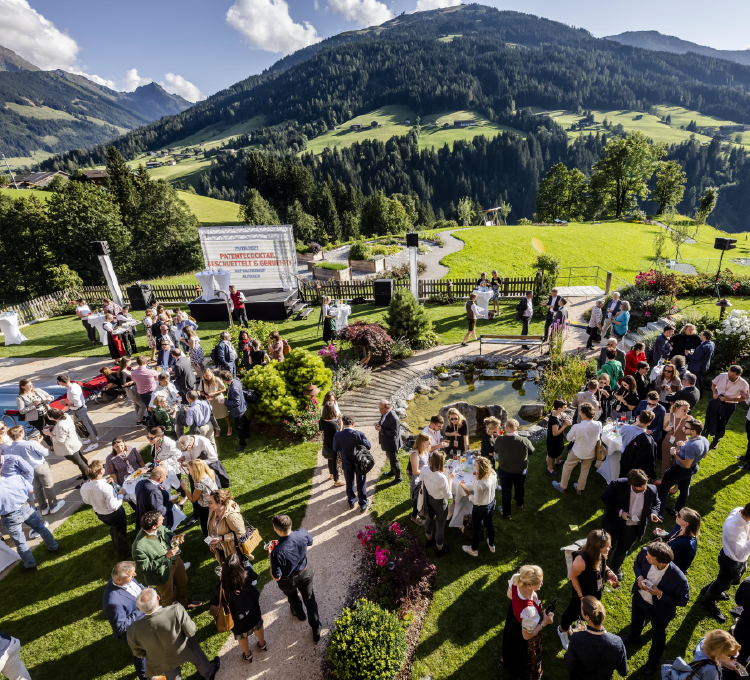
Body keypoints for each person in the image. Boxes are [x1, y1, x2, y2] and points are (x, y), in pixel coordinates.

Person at [620, 541, 689, 676]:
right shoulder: (646, 553)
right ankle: (633, 637)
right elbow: (637, 564)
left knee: (658, 637)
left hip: (659, 609)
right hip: (640, 597)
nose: (646, 556)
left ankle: (653, 662)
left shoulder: (679, 579)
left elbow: (682, 600)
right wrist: (639, 577)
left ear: (662, 563)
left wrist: (659, 594)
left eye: (650, 558)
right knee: (636, 619)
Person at [127, 587, 219, 680]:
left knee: (172, 675)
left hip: (162, 659)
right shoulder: (176, 609)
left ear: (138, 608)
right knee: (196, 653)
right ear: (158, 598)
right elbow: (191, 631)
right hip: (185, 648)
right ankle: (209, 673)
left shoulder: (132, 630)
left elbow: (138, 653)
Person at [557, 530, 619, 650]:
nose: (611, 547)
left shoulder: (600, 554)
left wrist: (609, 572)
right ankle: (562, 630)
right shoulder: (581, 561)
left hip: (595, 591)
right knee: (572, 612)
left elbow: (603, 564)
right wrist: (581, 597)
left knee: (585, 613)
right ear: (598, 547)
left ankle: (579, 622)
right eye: (608, 545)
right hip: (582, 593)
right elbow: (573, 577)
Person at [0, 455, 59, 572]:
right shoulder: (16, 478)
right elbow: (30, 490)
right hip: (26, 508)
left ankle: (30, 565)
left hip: (9, 517)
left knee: (20, 542)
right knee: (41, 528)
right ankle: (54, 547)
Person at [268, 514, 321, 641]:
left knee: (292, 596)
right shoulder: (302, 533)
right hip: (305, 573)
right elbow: (310, 541)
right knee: (309, 599)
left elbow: (276, 576)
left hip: (288, 581)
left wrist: (270, 555)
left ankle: (300, 614)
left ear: (278, 530)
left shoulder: (275, 552)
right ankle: (315, 628)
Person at [601, 469, 661, 580]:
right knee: (606, 546)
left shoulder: (651, 489)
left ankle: (616, 565)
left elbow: (656, 503)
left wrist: (653, 513)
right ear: (632, 484)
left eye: (645, 484)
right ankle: (602, 566)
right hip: (613, 524)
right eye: (641, 486)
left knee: (624, 548)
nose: (645, 488)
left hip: (634, 527)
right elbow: (605, 498)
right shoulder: (617, 485)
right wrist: (620, 512)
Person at [131, 511, 200, 609]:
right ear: (154, 527)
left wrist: (174, 537)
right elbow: (143, 568)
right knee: (168, 597)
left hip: (176, 560)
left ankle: (183, 605)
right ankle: (172, 616)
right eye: (161, 519)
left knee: (182, 583)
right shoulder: (139, 546)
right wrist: (166, 557)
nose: (163, 518)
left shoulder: (159, 527)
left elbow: (167, 531)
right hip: (161, 573)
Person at [210, 554, 265, 663]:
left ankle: (247, 655)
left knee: (241, 636)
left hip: (236, 616)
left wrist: (221, 579)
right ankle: (262, 644)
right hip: (252, 609)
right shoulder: (247, 572)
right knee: (258, 627)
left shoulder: (220, 585)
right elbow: (255, 576)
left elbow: (214, 600)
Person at [502, 565, 554, 680]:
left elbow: (510, 595)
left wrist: (517, 609)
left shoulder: (517, 578)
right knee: (521, 654)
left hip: (513, 619)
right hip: (523, 630)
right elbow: (526, 636)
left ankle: (506, 660)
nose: (541, 585)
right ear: (529, 585)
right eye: (539, 583)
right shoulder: (529, 611)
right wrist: (544, 622)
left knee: (510, 642)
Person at [3, 425, 64, 517]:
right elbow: (45, 453)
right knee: (48, 486)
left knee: (36, 489)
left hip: (25, 471)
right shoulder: (31, 443)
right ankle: (53, 506)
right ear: (20, 434)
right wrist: (39, 443)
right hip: (40, 467)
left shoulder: (8, 449)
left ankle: (43, 508)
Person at [704, 503, 750, 622]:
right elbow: (738, 554)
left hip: (736, 558)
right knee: (723, 582)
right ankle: (709, 601)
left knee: (725, 581)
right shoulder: (733, 528)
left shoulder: (740, 511)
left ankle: (710, 589)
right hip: (732, 561)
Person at [102, 561, 147, 680]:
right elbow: (120, 627)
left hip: (144, 622)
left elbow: (136, 587)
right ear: (118, 581)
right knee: (142, 654)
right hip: (135, 633)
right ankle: (146, 677)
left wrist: (145, 591)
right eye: (131, 575)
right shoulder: (113, 602)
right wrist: (142, 608)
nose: (135, 575)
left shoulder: (125, 579)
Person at [564, 596, 627, 680]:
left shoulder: (576, 639)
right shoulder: (617, 642)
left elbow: (569, 665)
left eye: (581, 609)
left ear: (587, 617)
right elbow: (623, 671)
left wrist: (575, 640)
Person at [658, 418, 709, 515]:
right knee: (685, 489)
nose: (683, 428)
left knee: (663, 488)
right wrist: (683, 445)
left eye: (686, 427)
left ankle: (659, 513)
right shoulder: (704, 439)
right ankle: (678, 510)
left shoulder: (692, 445)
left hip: (681, 470)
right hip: (692, 468)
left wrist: (674, 454)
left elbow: (687, 464)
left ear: (693, 431)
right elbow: (704, 454)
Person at [81, 461, 130, 559]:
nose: (104, 467)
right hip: (114, 514)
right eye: (103, 466)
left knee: (114, 530)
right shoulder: (105, 488)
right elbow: (113, 506)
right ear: (100, 472)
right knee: (120, 534)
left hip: (100, 514)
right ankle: (124, 554)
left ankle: (115, 541)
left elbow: (86, 501)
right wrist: (120, 494)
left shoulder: (84, 486)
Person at [554, 403, 601, 496]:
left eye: (580, 411)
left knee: (567, 467)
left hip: (577, 452)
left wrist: (576, 437)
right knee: (585, 471)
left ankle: (562, 486)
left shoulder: (577, 426)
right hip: (590, 453)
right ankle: (579, 489)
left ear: (583, 413)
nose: (579, 413)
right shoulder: (598, 424)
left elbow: (568, 438)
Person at [495, 418, 534, 519]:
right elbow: (531, 451)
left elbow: (495, 449)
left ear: (506, 428)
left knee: (506, 491)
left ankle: (507, 513)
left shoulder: (500, 439)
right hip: (520, 471)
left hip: (504, 471)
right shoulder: (524, 440)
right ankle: (519, 503)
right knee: (520, 487)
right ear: (517, 428)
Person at [332, 415, 371, 512]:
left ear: (343, 424)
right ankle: (362, 504)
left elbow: (335, 448)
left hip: (346, 462)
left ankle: (351, 501)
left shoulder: (338, 435)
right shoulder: (359, 434)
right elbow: (368, 446)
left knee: (349, 482)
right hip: (359, 462)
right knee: (361, 482)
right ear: (353, 423)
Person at [706, 365, 750, 450]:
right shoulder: (722, 375)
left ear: (738, 375)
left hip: (729, 404)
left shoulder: (743, 384)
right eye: (729, 374)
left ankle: (716, 440)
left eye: (732, 376)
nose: (729, 376)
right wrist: (714, 393)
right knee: (710, 417)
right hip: (716, 401)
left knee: (722, 422)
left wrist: (729, 398)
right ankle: (705, 434)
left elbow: (744, 398)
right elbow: (714, 384)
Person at [419, 451, 454, 558]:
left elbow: (421, 479)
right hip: (440, 503)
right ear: (440, 463)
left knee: (429, 519)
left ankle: (429, 539)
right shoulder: (441, 478)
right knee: (440, 526)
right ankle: (440, 549)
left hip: (429, 498)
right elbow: (449, 496)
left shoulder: (425, 468)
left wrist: (441, 473)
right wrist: (450, 479)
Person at [460, 456, 497, 556]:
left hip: (480, 508)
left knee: (477, 528)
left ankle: (474, 549)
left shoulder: (480, 484)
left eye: (475, 465)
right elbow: (496, 486)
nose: (473, 466)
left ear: (480, 468)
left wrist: (465, 489)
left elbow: (476, 501)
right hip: (491, 502)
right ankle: (491, 545)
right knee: (489, 523)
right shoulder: (493, 473)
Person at [207, 489, 252, 565]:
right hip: (221, 549)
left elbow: (241, 534)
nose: (208, 505)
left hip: (233, 552)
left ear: (220, 502)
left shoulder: (232, 517)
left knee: (241, 569)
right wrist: (211, 541)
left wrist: (221, 538)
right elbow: (212, 526)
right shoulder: (213, 510)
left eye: (210, 503)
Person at [57, 373, 99, 450]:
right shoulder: (74, 385)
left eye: (58, 382)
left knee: (85, 426)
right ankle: (94, 437)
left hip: (79, 410)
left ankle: (94, 443)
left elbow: (77, 404)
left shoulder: (72, 390)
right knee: (88, 423)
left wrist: (66, 404)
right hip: (81, 409)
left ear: (61, 382)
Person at [45, 408, 89, 479]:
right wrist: (53, 427)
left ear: (51, 417)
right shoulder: (66, 416)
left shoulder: (60, 426)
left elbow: (60, 440)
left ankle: (87, 478)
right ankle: (87, 472)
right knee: (81, 460)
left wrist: (49, 434)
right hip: (74, 443)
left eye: (48, 415)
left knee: (80, 463)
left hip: (69, 448)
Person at [654, 507, 700, 573]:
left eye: (679, 515)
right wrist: (664, 534)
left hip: (665, 571)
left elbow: (679, 570)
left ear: (686, 524)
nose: (676, 515)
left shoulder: (688, 547)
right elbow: (671, 537)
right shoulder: (679, 526)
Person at [181, 460, 217, 537]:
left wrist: (185, 488)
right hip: (214, 503)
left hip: (206, 508)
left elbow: (192, 499)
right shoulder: (208, 473)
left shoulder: (199, 484)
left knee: (206, 526)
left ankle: (211, 542)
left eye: (189, 469)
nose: (188, 471)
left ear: (195, 470)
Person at [134, 465, 176, 531]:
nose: (166, 478)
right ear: (160, 478)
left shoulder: (140, 483)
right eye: (166, 476)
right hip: (157, 525)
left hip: (144, 516)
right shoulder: (155, 492)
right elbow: (160, 511)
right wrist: (171, 503)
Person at [618, 410, 657, 479]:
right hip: (635, 459)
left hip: (624, 454)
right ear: (649, 423)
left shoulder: (625, 428)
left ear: (638, 417)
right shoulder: (646, 438)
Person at [660, 400, 691, 480]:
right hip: (668, 442)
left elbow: (694, 433)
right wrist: (666, 428)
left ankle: (673, 480)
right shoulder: (668, 416)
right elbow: (664, 427)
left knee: (676, 462)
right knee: (665, 461)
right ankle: (664, 478)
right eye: (684, 410)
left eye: (687, 410)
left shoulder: (689, 418)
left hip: (681, 444)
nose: (686, 412)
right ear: (677, 408)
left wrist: (688, 431)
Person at [221, 370, 248, 453]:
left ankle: (242, 444)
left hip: (238, 410)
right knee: (245, 422)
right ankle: (247, 435)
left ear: (224, 380)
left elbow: (237, 402)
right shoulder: (236, 380)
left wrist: (224, 402)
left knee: (240, 427)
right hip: (242, 407)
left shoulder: (234, 387)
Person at [376, 399, 402, 483]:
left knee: (394, 461)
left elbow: (394, 433)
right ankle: (392, 471)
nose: (379, 410)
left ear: (387, 408)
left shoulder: (394, 418)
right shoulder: (384, 414)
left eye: (381, 409)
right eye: (379, 408)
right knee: (390, 458)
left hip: (392, 444)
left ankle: (398, 477)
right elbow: (382, 421)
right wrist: (379, 424)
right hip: (387, 442)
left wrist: (381, 430)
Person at [199, 369, 230, 437]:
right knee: (215, 415)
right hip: (210, 400)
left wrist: (215, 392)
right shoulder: (203, 381)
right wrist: (206, 395)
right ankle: (217, 429)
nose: (208, 377)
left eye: (209, 375)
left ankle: (229, 427)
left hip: (219, 399)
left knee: (224, 414)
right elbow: (200, 391)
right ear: (203, 376)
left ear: (212, 373)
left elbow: (224, 389)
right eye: (206, 376)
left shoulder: (217, 380)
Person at [408, 434, 430, 526]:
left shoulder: (425, 452)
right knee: (417, 499)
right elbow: (415, 471)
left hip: (425, 478)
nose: (430, 444)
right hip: (418, 481)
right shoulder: (415, 455)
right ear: (422, 443)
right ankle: (414, 516)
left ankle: (423, 512)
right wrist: (428, 471)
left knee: (424, 497)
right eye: (428, 442)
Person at [320, 403, 344, 487]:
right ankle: (336, 480)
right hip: (334, 445)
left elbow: (321, 429)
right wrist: (340, 425)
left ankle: (332, 474)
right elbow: (339, 435)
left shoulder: (322, 420)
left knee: (330, 459)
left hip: (326, 443)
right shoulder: (333, 425)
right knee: (335, 462)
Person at [118, 358, 147, 425]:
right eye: (129, 361)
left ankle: (140, 417)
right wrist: (133, 381)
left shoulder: (126, 369)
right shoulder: (123, 372)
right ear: (126, 362)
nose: (131, 362)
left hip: (134, 389)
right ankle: (139, 421)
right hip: (131, 390)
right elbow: (123, 385)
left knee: (137, 404)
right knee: (143, 405)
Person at [546, 400, 570, 474]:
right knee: (551, 454)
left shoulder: (556, 412)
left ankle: (557, 461)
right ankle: (549, 468)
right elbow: (555, 433)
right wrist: (565, 425)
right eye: (564, 407)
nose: (566, 408)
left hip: (558, 439)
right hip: (553, 440)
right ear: (559, 408)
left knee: (560, 449)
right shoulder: (554, 420)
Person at [689, 330, 715, 399]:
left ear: (704, 337)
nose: (700, 336)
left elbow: (695, 358)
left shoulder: (702, 347)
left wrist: (688, 354)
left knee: (696, 381)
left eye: (701, 335)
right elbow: (711, 355)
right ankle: (700, 394)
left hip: (696, 367)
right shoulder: (712, 344)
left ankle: (696, 395)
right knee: (699, 379)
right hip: (704, 366)